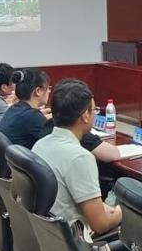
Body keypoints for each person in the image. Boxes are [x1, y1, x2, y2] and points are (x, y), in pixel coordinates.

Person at [32, 79, 122, 235]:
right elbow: (100, 224)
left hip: (47, 235)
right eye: (93, 110)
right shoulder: (80, 158)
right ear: (85, 116)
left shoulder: (40, 145)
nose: (94, 115)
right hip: (76, 240)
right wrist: (124, 210)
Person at [0, 68, 52, 149]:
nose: (49, 92)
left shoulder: (14, 109)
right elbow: (55, 142)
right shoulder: (32, 116)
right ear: (38, 91)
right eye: (48, 88)